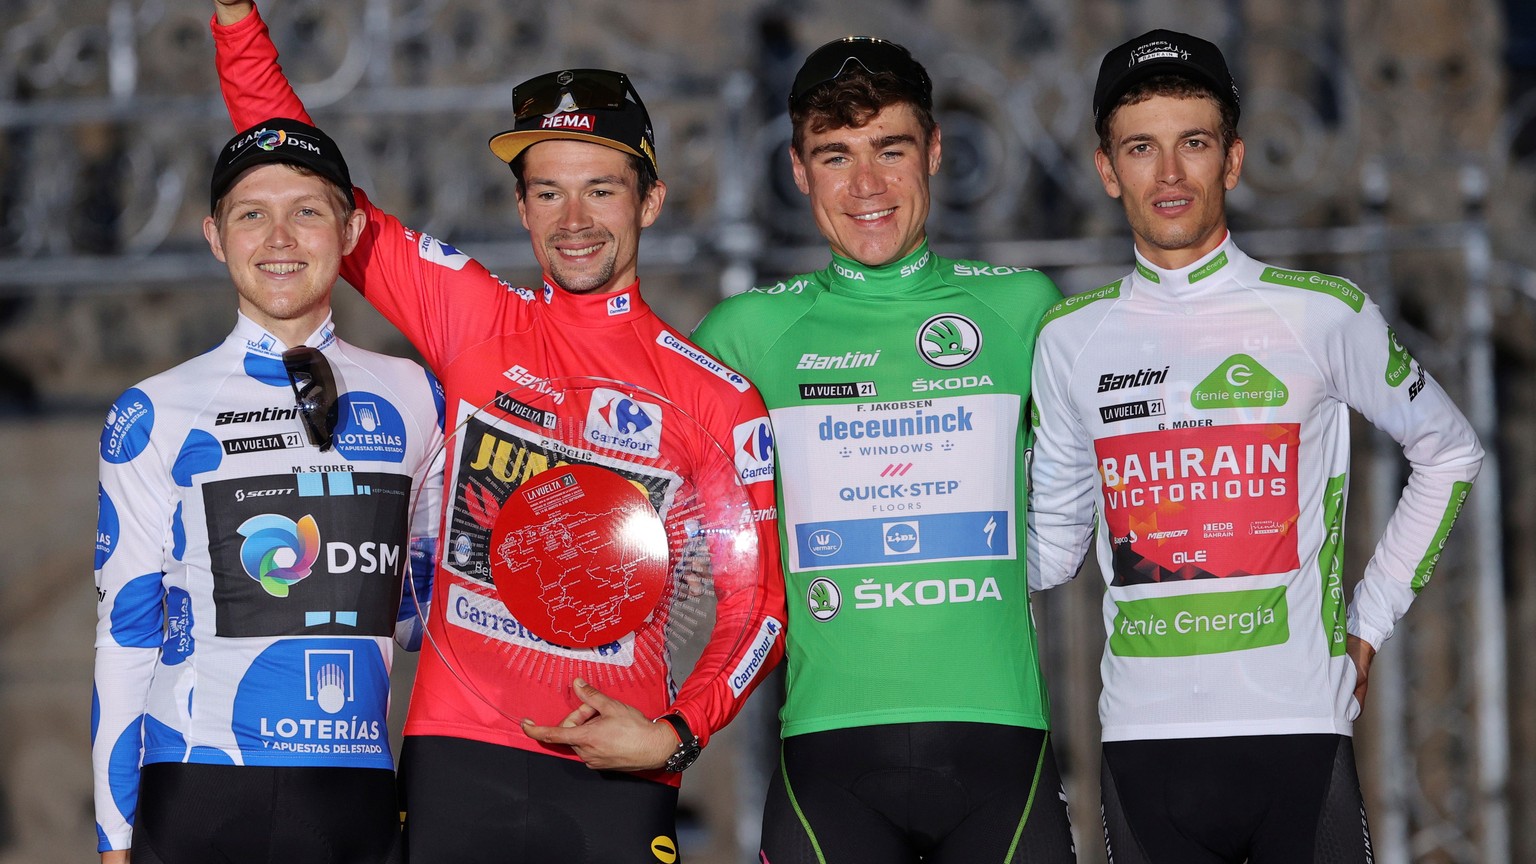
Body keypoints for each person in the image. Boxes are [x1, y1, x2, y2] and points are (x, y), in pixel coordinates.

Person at [209, 3, 787, 861]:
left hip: (618, 778)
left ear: (652, 201)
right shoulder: (475, 319)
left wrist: (674, 735)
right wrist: (234, 18)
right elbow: (296, 165)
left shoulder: (716, 398)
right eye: (548, 192)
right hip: (457, 757)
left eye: (602, 189)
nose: (574, 218)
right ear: (522, 209)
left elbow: (761, 608)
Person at [1026, 29, 1486, 863]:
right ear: (1107, 170)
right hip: (1141, 743)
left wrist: (1368, 621)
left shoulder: (1319, 313)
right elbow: (1049, 553)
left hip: (1299, 730)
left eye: (1192, 144)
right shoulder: (1069, 339)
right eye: (1141, 148)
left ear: (1232, 160)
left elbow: (1451, 450)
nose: (1169, 175)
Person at [691, 37, 1077, 863]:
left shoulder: (1022, 309)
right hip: (828, 765)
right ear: (799, 170)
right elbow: (645, 485)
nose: (865, 186)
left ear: (935, 150)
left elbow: (1099, 480)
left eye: (890, 150)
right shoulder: (747, 333)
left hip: (1001, 751)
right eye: (835, 156)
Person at [92, 116, 445, 863]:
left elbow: (429, 613)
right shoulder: (152, 410)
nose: (280, 238)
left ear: (350, 232)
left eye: (307, 212)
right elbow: (126, 633)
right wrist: (113, 834)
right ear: (216, 236)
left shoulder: (418, 395)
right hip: (198, 791)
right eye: (253, 214)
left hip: (356, 796)